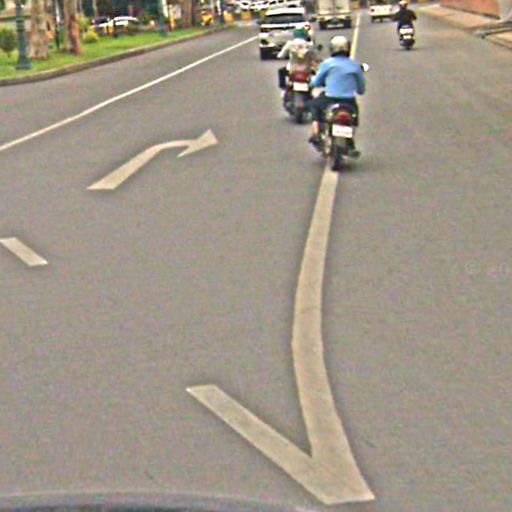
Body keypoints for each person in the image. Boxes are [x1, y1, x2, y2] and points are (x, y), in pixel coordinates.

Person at [308, 35, 366, 158]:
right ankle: (350, 143)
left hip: (330, 99)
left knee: (314, 105)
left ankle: (316, 133)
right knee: (354, 118)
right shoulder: (354, 65)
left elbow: (317, 82)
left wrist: (315, 83)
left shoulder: (327, 64)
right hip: (349, 101)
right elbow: (361, 88)